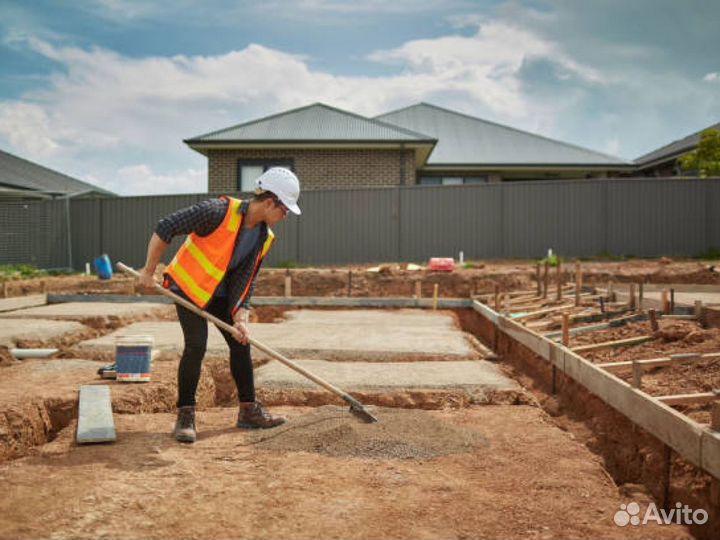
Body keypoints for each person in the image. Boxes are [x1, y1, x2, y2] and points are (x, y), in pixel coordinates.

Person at [137, 167, 301, 443]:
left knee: (241, 342)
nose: (285, 217)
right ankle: (185, 414)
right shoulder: (217, 211)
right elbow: (166, 226)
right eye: (284, 210)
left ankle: (249, 411)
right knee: (196, 344)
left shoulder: (264, 237)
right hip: (189, 288)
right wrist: (148, 270)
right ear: (270, 202)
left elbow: (246, 280)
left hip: (221, 294)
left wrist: (241, 318)